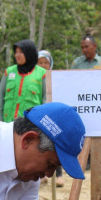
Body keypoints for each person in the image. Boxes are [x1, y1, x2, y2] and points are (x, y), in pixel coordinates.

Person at [71, 35, 101, 173]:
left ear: (94, 46)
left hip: (99, 102)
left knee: (100, 132)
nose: (84, 50)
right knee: (84, 131)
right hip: (82, 101)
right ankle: (86, 161)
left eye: (86, 46)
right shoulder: (77, 63)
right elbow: (71, 80)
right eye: (82, 47)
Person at [0, 40, 46, 122]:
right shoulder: (9, 72)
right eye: (16, 52)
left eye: (21, 52)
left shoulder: (42, 74)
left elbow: (46, 101)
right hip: (7, 124)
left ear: (29, 53)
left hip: (30, 126)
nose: (17, 55)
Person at [36, 49, 65, 187]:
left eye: (45, 62)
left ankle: (59, 175)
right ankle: (42, 174)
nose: (42, 65)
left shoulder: (56, 77)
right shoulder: (35, 78)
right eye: (39, 62)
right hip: (39, 117)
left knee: (55, 145)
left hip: (53, 116)